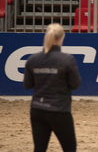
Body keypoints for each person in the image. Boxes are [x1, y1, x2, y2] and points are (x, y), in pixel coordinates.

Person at [23, 23, 80, 152]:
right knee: (70, 148)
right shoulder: (67, 59)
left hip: (37, 109)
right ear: (61, 38)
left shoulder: (33, 59)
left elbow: (28, 85)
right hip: (59, 110)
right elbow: (75, 84)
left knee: (39, 148)